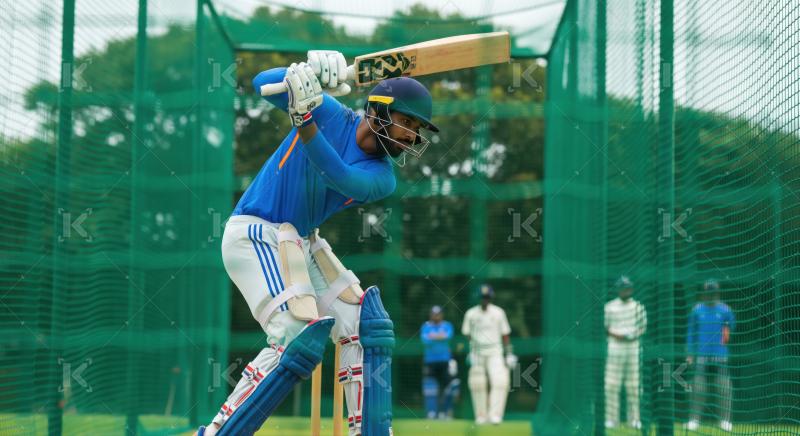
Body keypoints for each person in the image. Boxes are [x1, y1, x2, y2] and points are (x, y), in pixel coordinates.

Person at [195, 51, 439, 436]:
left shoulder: (381, 176)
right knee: (295, 332)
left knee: (366, 324)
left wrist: (304, 118)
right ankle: (219, 432)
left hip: (301, 241)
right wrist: (303, 75)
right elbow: (262, 82)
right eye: (407, 122)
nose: (411, 135)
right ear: (378, 112)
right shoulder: (329, 112)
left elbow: (337, 176)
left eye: (417, 128)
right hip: (254, 232)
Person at [461, 284, 516, 425]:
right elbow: (467, 335)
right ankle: (481, 415)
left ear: (490, 298)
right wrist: (471, 351)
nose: (484, 300)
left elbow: (505, 335)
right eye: (482, 298)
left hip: (495, 352)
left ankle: (495, 415)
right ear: (478, 298)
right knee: (477, 383)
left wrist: (509, 353)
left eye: (487, 298)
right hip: (477, 353)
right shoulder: (471, 313)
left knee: (500, 382)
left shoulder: (498, 313)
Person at [686, 279, 736, 432]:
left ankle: (725, 421)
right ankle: (694, 420)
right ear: (704, 293)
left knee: (724, 389)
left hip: (720, 355)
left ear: (717, 293)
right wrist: (689, 354)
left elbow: (730, 328)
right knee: (698, 388)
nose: (711, 295)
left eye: (713, 292)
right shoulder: (697, 310)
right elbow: (690, 333)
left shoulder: (725, 310)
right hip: (701, 355)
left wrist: (726, 332)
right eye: (708, 292)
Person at [603, 275, 647, 429]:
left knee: (634, 385)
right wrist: (618, 335)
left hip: (633, 348)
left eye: (627, 287)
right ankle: (611, 419)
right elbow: (606, 328)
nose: (625, 290)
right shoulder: (609, 307)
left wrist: (631, 335)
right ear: (618, 290)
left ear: (631, 289)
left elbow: (643, 328)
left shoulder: (638, 307)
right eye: (622, 288)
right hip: (615, 348)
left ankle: (634, 419)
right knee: (611, 385)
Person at [420, 305, 460, 419]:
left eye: (438, 314)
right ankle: (431, 412)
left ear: (441, 315)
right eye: (434, 314)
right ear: (431, 315)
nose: (436, 316)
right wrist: (439, 336)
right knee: (430, 388)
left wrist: (433, 336)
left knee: (448, 387)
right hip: (430, 362)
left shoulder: (447, 325)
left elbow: (447, 336)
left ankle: (446, 412)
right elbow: (425, 340)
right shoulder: (426, 326)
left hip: (444, 361)